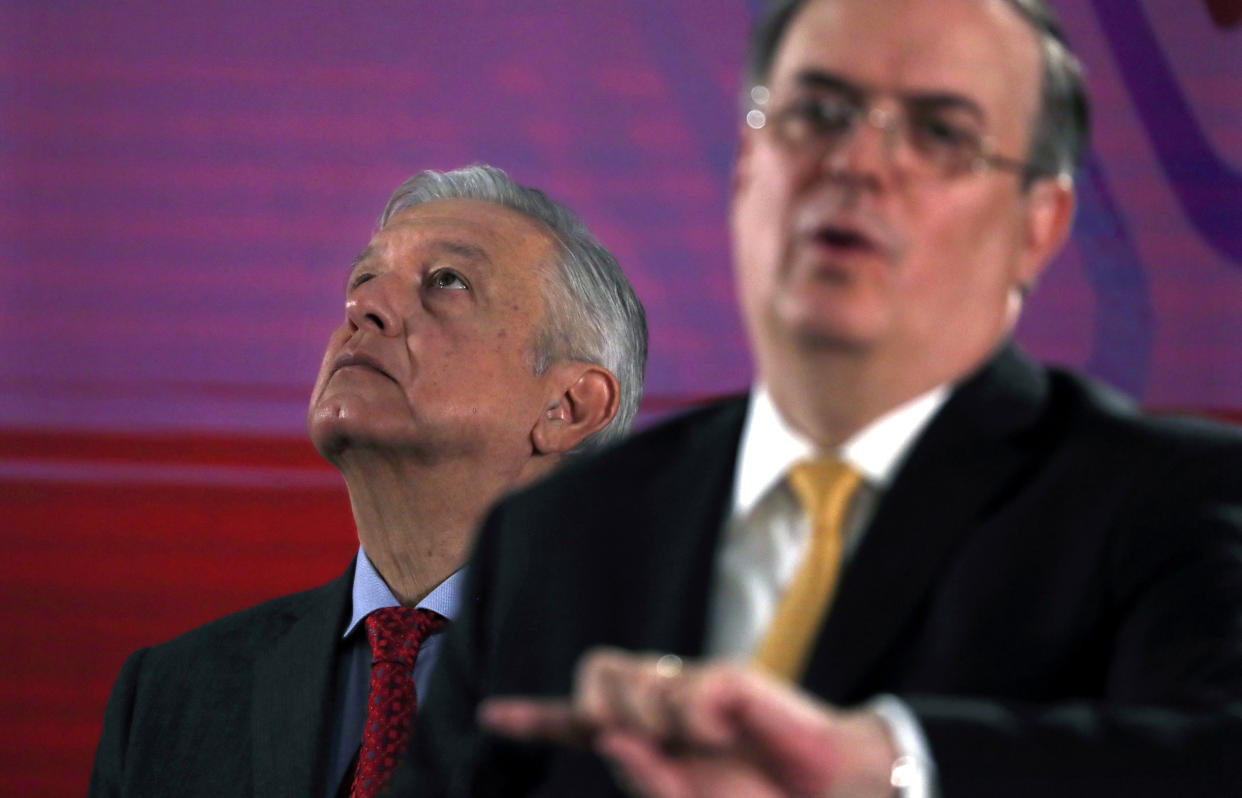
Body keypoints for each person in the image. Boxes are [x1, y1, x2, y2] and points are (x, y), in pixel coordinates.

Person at [402, 2, 1242, 797]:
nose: (857, 163)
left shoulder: (1170, 501)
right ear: (745, 165)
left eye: (942, 132)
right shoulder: (555, 532)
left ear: (1041, 225)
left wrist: (891, 770)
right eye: (817, 113)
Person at [87, 164, 648, 798]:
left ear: (568, 406)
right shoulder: (171, 694)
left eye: (446, 282)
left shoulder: (682, 695)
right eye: (363, 280)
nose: (363, 307)